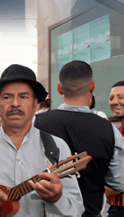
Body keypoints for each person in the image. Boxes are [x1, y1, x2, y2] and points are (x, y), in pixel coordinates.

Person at [0, 64, 84, 216]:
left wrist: (58, 198)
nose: (15, 104)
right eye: (7, 97)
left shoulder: (57, 147)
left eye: (24, 97)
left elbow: (76, 210)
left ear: (36, 104)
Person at [35, 61, 124, 217]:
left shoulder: (35, 122)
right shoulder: (109, 129)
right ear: (92, 86)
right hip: (90, 212)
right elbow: (119, 182)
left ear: (59, 89)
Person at [105, 81, 124, 217]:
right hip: (115, 206)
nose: (115, 102)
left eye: (121, 97)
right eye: (111, 98)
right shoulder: (117, 131)